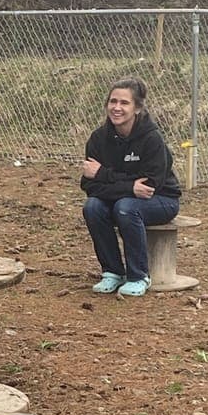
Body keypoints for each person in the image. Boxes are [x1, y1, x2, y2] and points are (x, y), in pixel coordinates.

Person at [80, 76, 181, 296]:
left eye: (124, 103)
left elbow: (149, 187)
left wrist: (104, 174)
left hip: (162, 200)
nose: (117, 108)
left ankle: (138, 276)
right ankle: (113, 272)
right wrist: (126, 185)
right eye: (113, 101)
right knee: (93, 207)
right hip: (124, 198)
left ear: (137, 108)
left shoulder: (151, 139)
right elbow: (90, 185)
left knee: (126, 207)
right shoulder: (98, 139)